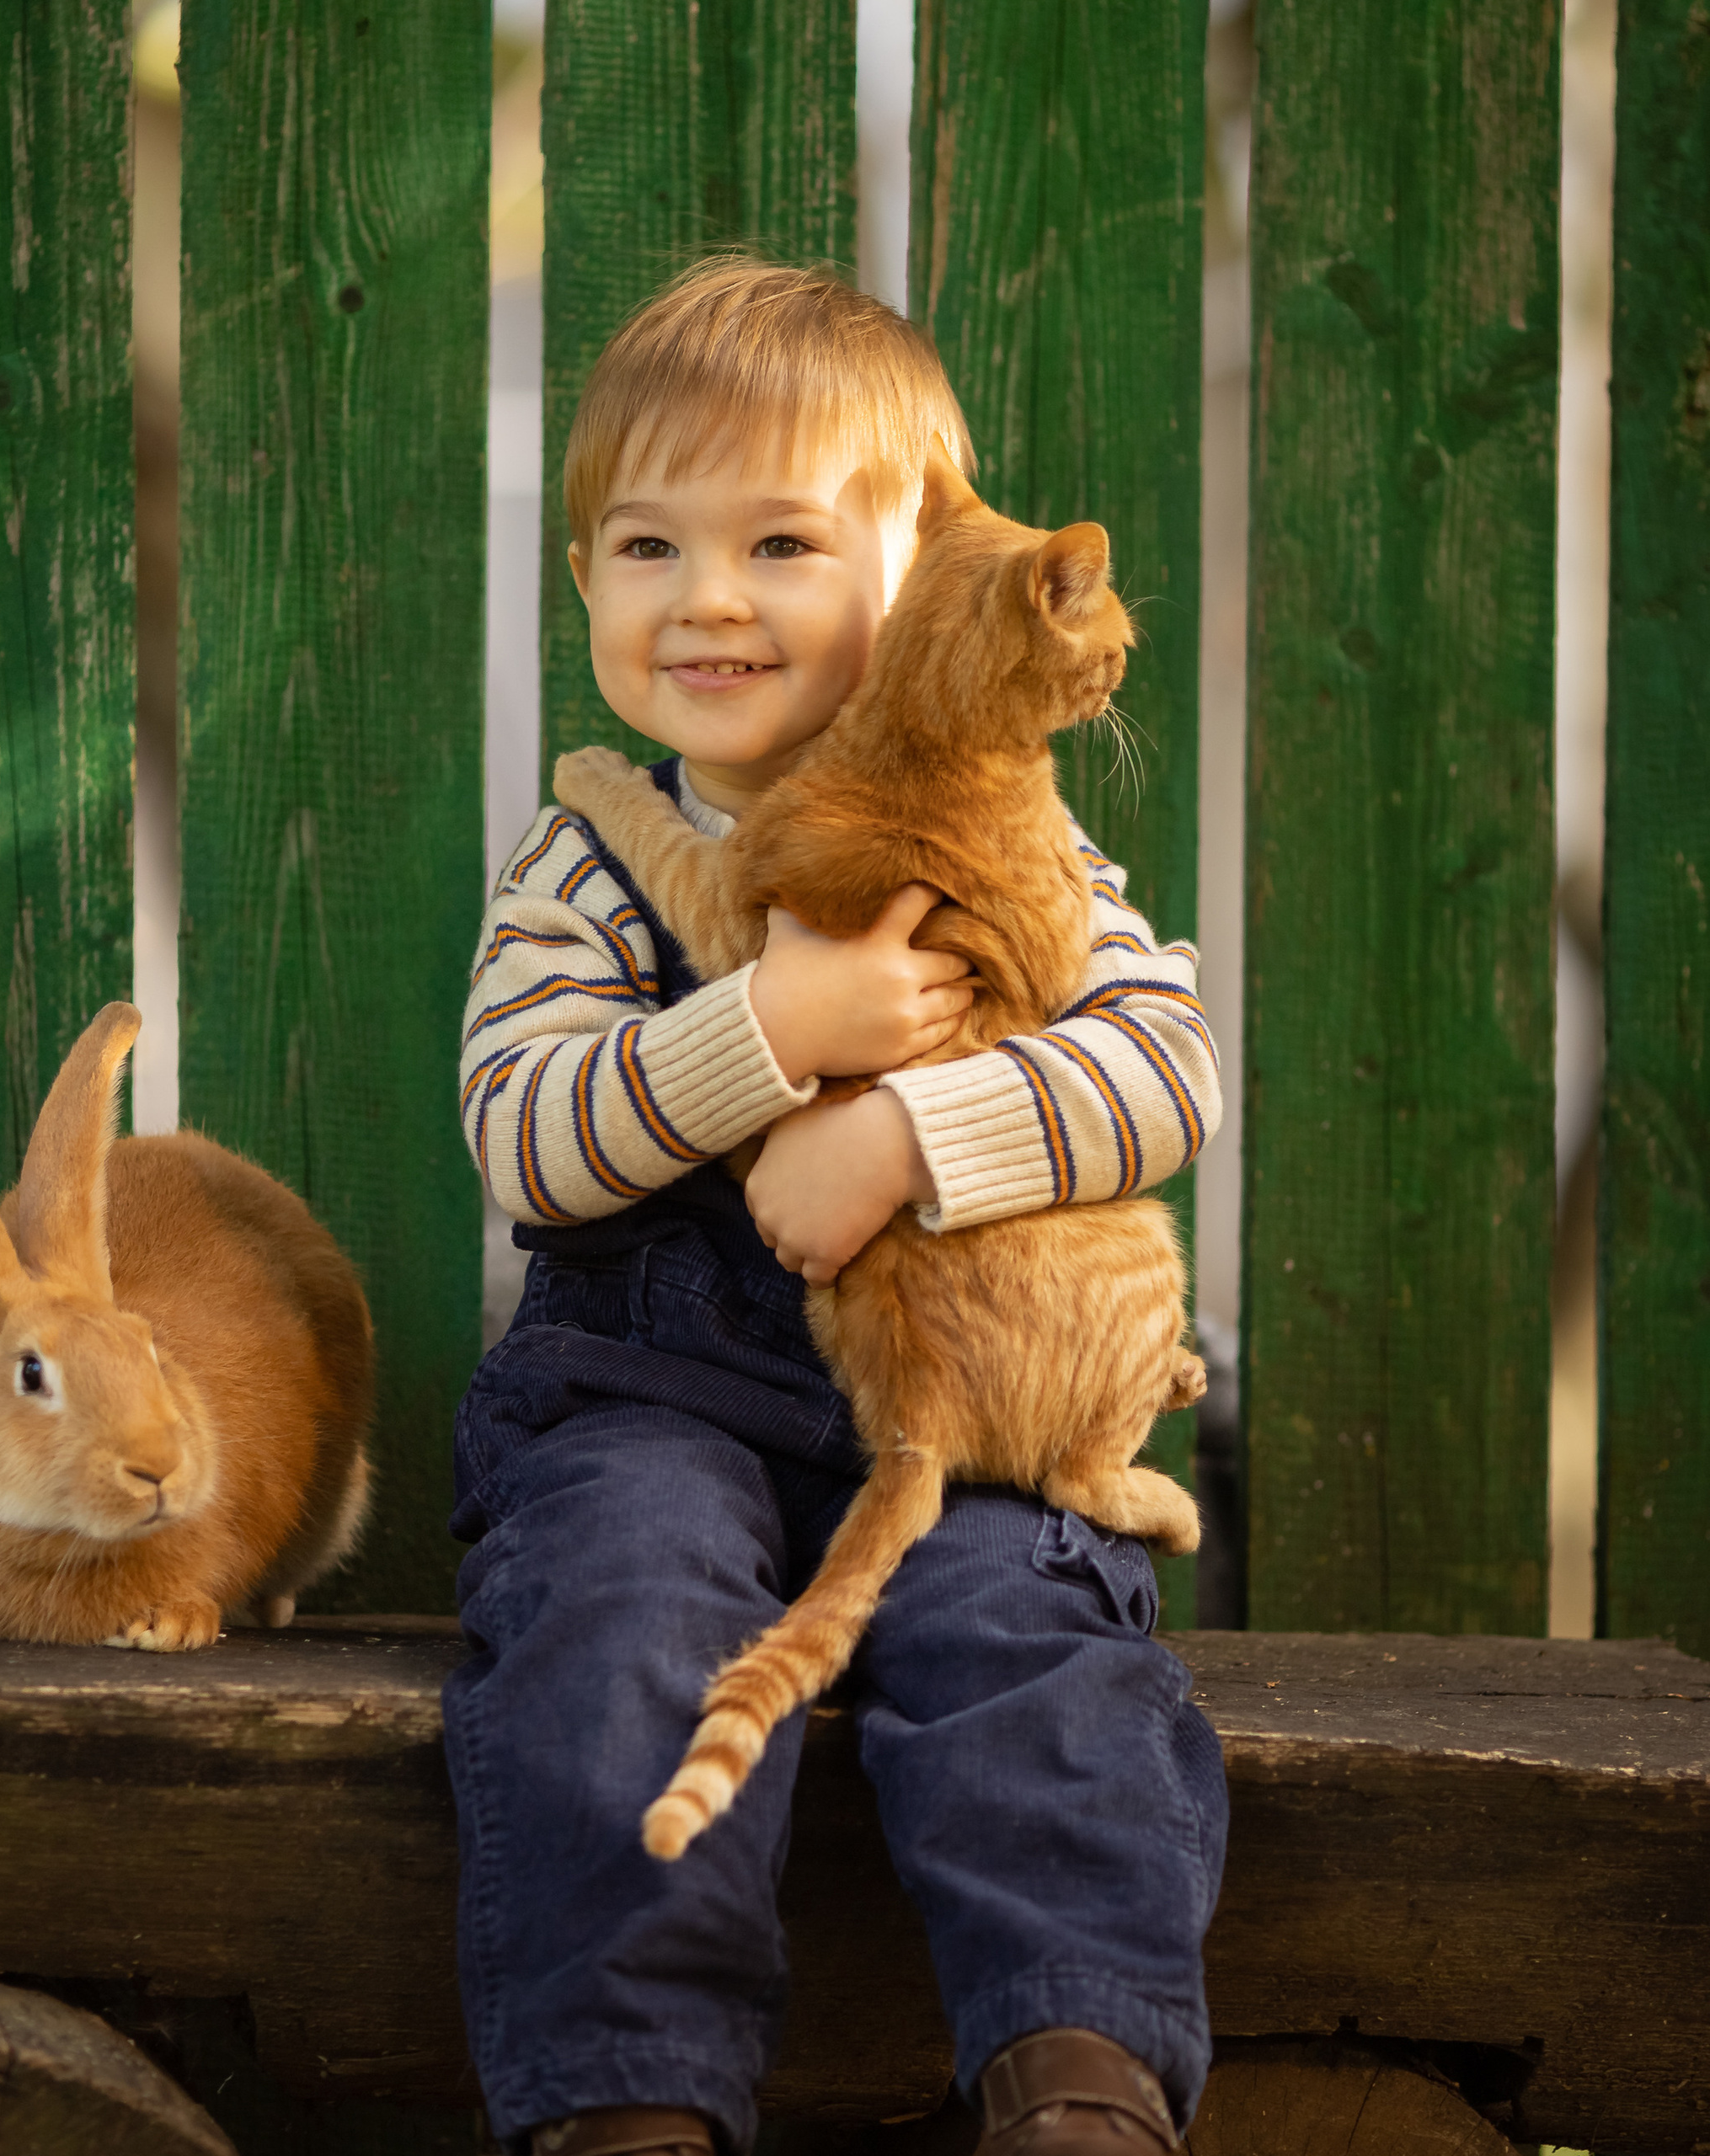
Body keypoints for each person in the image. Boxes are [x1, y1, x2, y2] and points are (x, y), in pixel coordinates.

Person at [445, 257, 1226, 2156]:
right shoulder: (584, 871)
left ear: (915, 578)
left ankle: (1077, 2075)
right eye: (645, 545)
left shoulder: (1021, 834)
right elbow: (525, 1136)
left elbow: (1164, 1072)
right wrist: (762, 1032)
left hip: (955, 1440)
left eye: (780, 542)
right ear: (586, 587)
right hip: (653, 1405)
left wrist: (910, 1134)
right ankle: (626, 2096)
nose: (704, 597)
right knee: (613, 1613)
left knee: (1035, 1646)